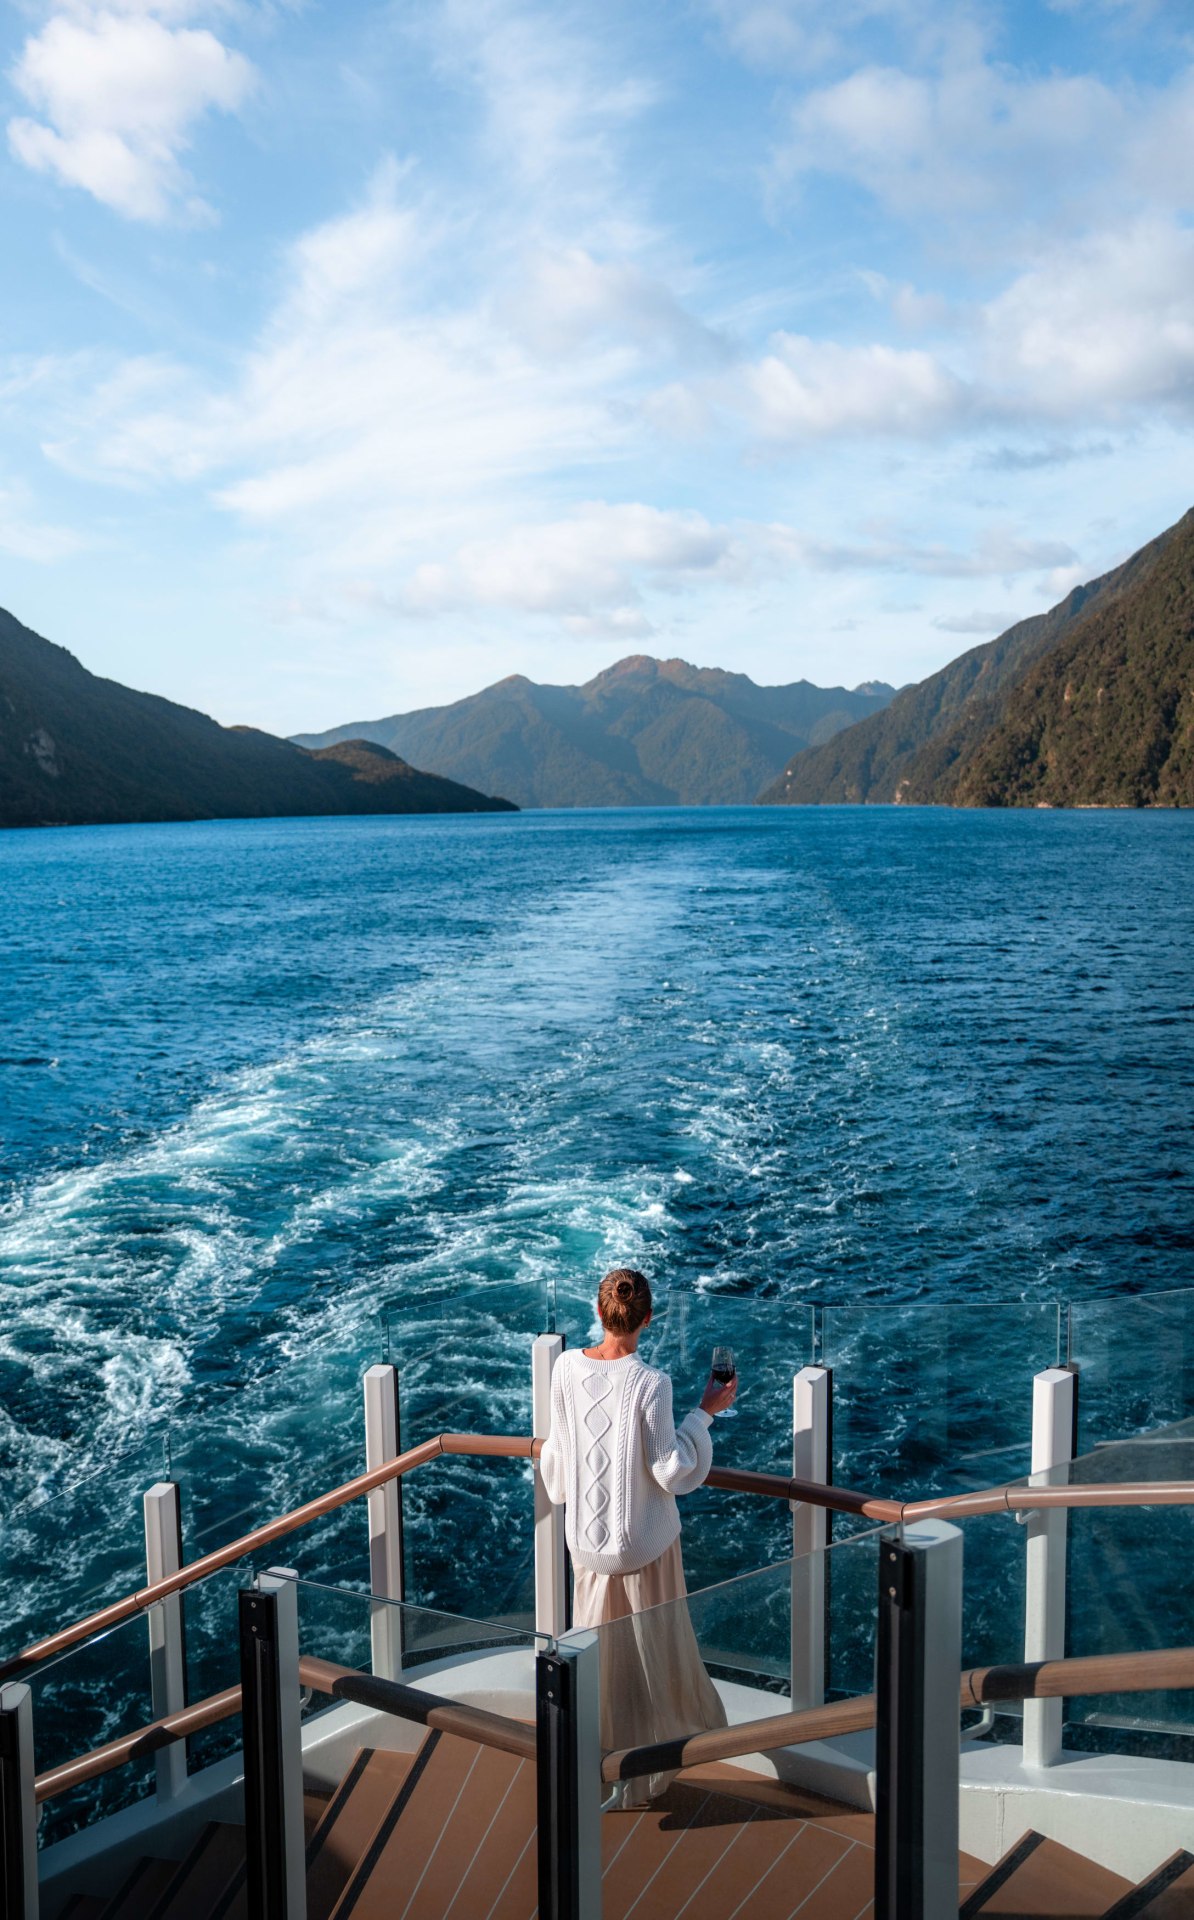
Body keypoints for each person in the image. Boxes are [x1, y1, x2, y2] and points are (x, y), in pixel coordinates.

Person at [538, 1267, 737, 1803]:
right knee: (654, 1657)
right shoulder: (652, 1384)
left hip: (587, 1547)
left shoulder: (563, 1370)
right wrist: (705, 1413)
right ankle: (654, 1764)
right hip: (643, 1551)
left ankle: (595, 1765)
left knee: (599, 1664)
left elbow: (556, 1460)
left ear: (598, 1312)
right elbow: (673, 1471)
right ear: (648, 1319)